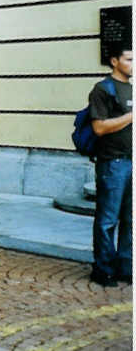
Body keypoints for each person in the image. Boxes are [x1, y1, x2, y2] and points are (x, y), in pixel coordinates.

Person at [89, 45, 133, 287]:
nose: (133, 64)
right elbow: (99, 127)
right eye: (129, 59)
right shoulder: (102, 90)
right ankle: (103, 268)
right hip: (112, 163)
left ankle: (126, 267)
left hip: (131, 160)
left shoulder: (133, 88)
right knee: (108, 219)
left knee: (130, 218)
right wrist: (131, 116)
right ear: (115, 61)